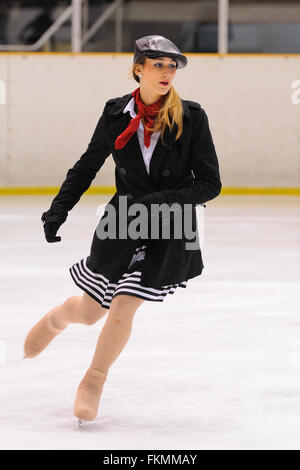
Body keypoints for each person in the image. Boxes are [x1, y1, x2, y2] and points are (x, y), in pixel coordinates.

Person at [23, 35, 222, 425]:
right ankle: (57, 319)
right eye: (158, 64)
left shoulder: (192, 116)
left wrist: (161, 201)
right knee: (91, 310)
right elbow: (87, 164)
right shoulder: (116, 112)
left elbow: (210, 183)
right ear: (139, 69)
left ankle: (93, 381)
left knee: (124, 304)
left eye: (172, 65)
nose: (167, 72)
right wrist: (58, 209)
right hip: (124, 222)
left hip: (170, 224)